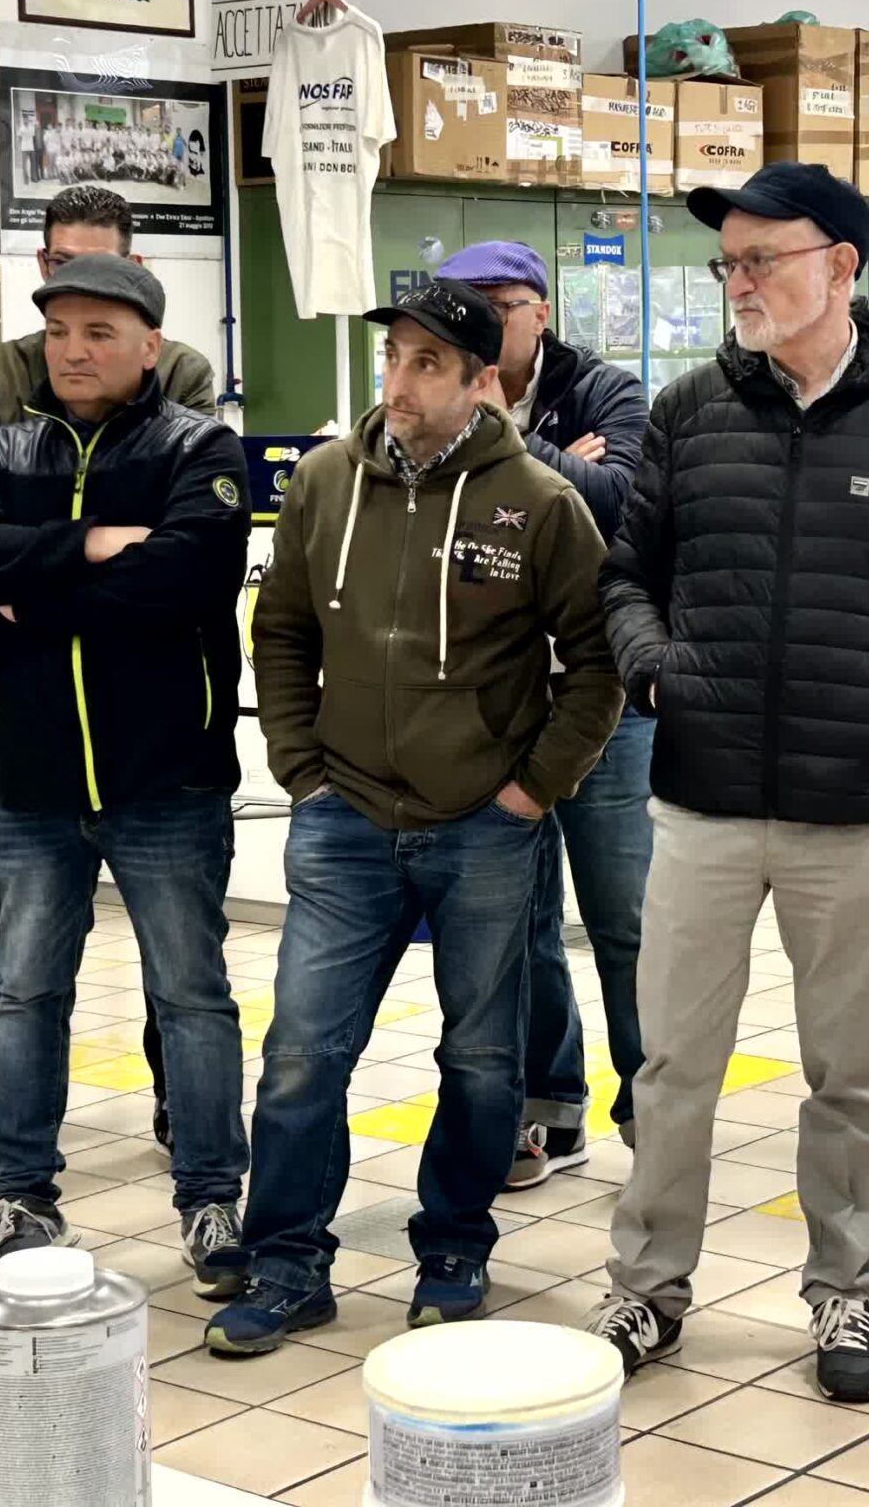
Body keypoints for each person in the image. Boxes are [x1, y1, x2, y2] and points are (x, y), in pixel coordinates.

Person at [585, 162, 869, 1400]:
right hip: (702, 798)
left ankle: (843, 1290)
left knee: (847, 1070)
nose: (739, 282)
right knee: (673, 1064)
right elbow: (627, 574)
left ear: (841, 265)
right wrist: (653, 670)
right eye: (728, 262)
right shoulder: (688, 411)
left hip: (852, 806)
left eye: (761, 259)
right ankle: (647, 1284)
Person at [211, 278, 624, 1354]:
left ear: (481, 380)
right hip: (343, 817)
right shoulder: (323, 482)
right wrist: (300, 766)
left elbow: (597, 664)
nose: (399, 381)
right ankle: (286, 1260)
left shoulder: (538, 500)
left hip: (484, 824)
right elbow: (281, 629)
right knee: (301, 1053)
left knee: (481, 1058)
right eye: (393, 356)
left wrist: (533, 789)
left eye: (427, 362)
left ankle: (452, 1246)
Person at [0, 256, 252, 1285]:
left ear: (150, 345)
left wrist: (33, 585)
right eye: (59, 329)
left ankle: (211, 1200)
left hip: (167, 778)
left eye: (99, 331)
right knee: (25, 993)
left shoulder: (198, 444)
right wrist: (91, 542)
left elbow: (189, 574)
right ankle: (21, 1198)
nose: (72, 349)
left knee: (190, 995)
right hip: (32, 780)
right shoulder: (6, 445)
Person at [431, 240, 652, 1185]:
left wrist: (508, 443)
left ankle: (653, 1112)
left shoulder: (607, 390)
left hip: (604, 701)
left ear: (542, 310)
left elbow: (623, 499)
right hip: (496, 701)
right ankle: (548, 1110)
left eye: (501, 302)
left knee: (624, 917)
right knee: (519, 922)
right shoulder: (434, 392)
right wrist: (561, 467)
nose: (483, 318)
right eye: (466, 303)